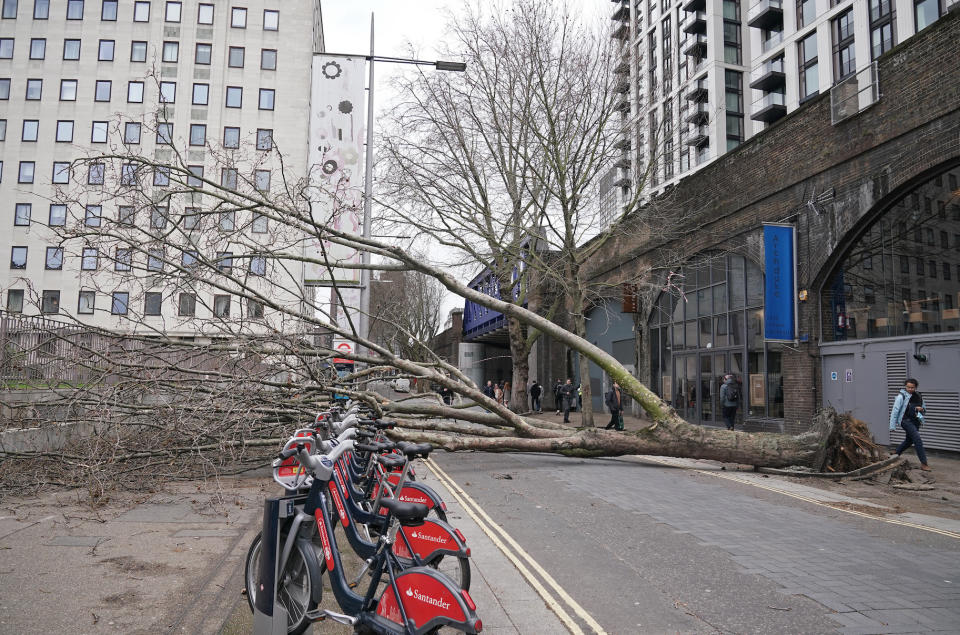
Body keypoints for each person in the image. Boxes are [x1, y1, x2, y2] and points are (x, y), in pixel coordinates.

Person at [889, 377, 931, 471]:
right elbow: (895, 411)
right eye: (908, 387)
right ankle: (924, 463)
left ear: (915, 387)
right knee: (917, 439)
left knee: (909, 440)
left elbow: (924, 409)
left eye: (912, 387)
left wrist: (922, 409)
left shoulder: (918, 396)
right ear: (905, 387)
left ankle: (896, 452)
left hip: (916, 421)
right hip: (905, 420)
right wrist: (892, 425)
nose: (910, 389)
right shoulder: (901, 396)